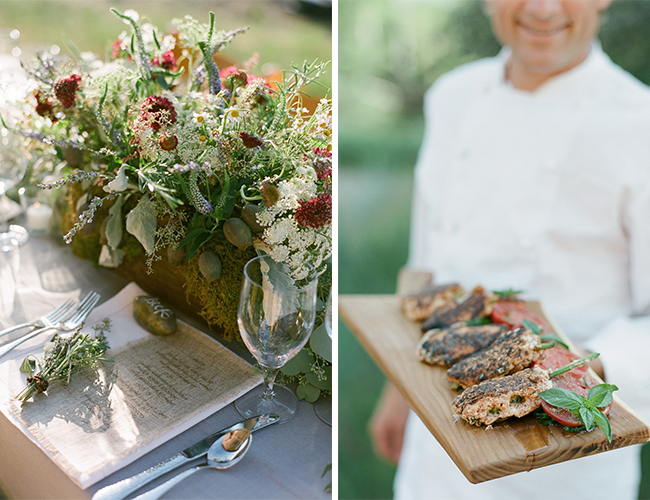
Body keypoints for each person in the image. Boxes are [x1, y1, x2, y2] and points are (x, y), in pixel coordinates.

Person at [369, 0, 650, 498]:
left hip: (565, 458)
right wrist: (401, 386)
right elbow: (430, 258)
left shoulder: (639, 124)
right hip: (437, 439)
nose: (543, 9)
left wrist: (572, 371)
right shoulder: (452, 96)